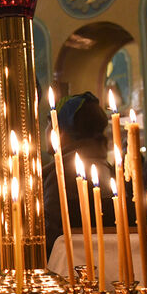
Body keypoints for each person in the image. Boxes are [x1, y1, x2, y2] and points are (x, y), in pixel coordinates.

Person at [41, 92, 127, 257]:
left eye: (48, 123)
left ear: (60, 132)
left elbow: (51, 237)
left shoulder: (62, 175)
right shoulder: (107, 167)